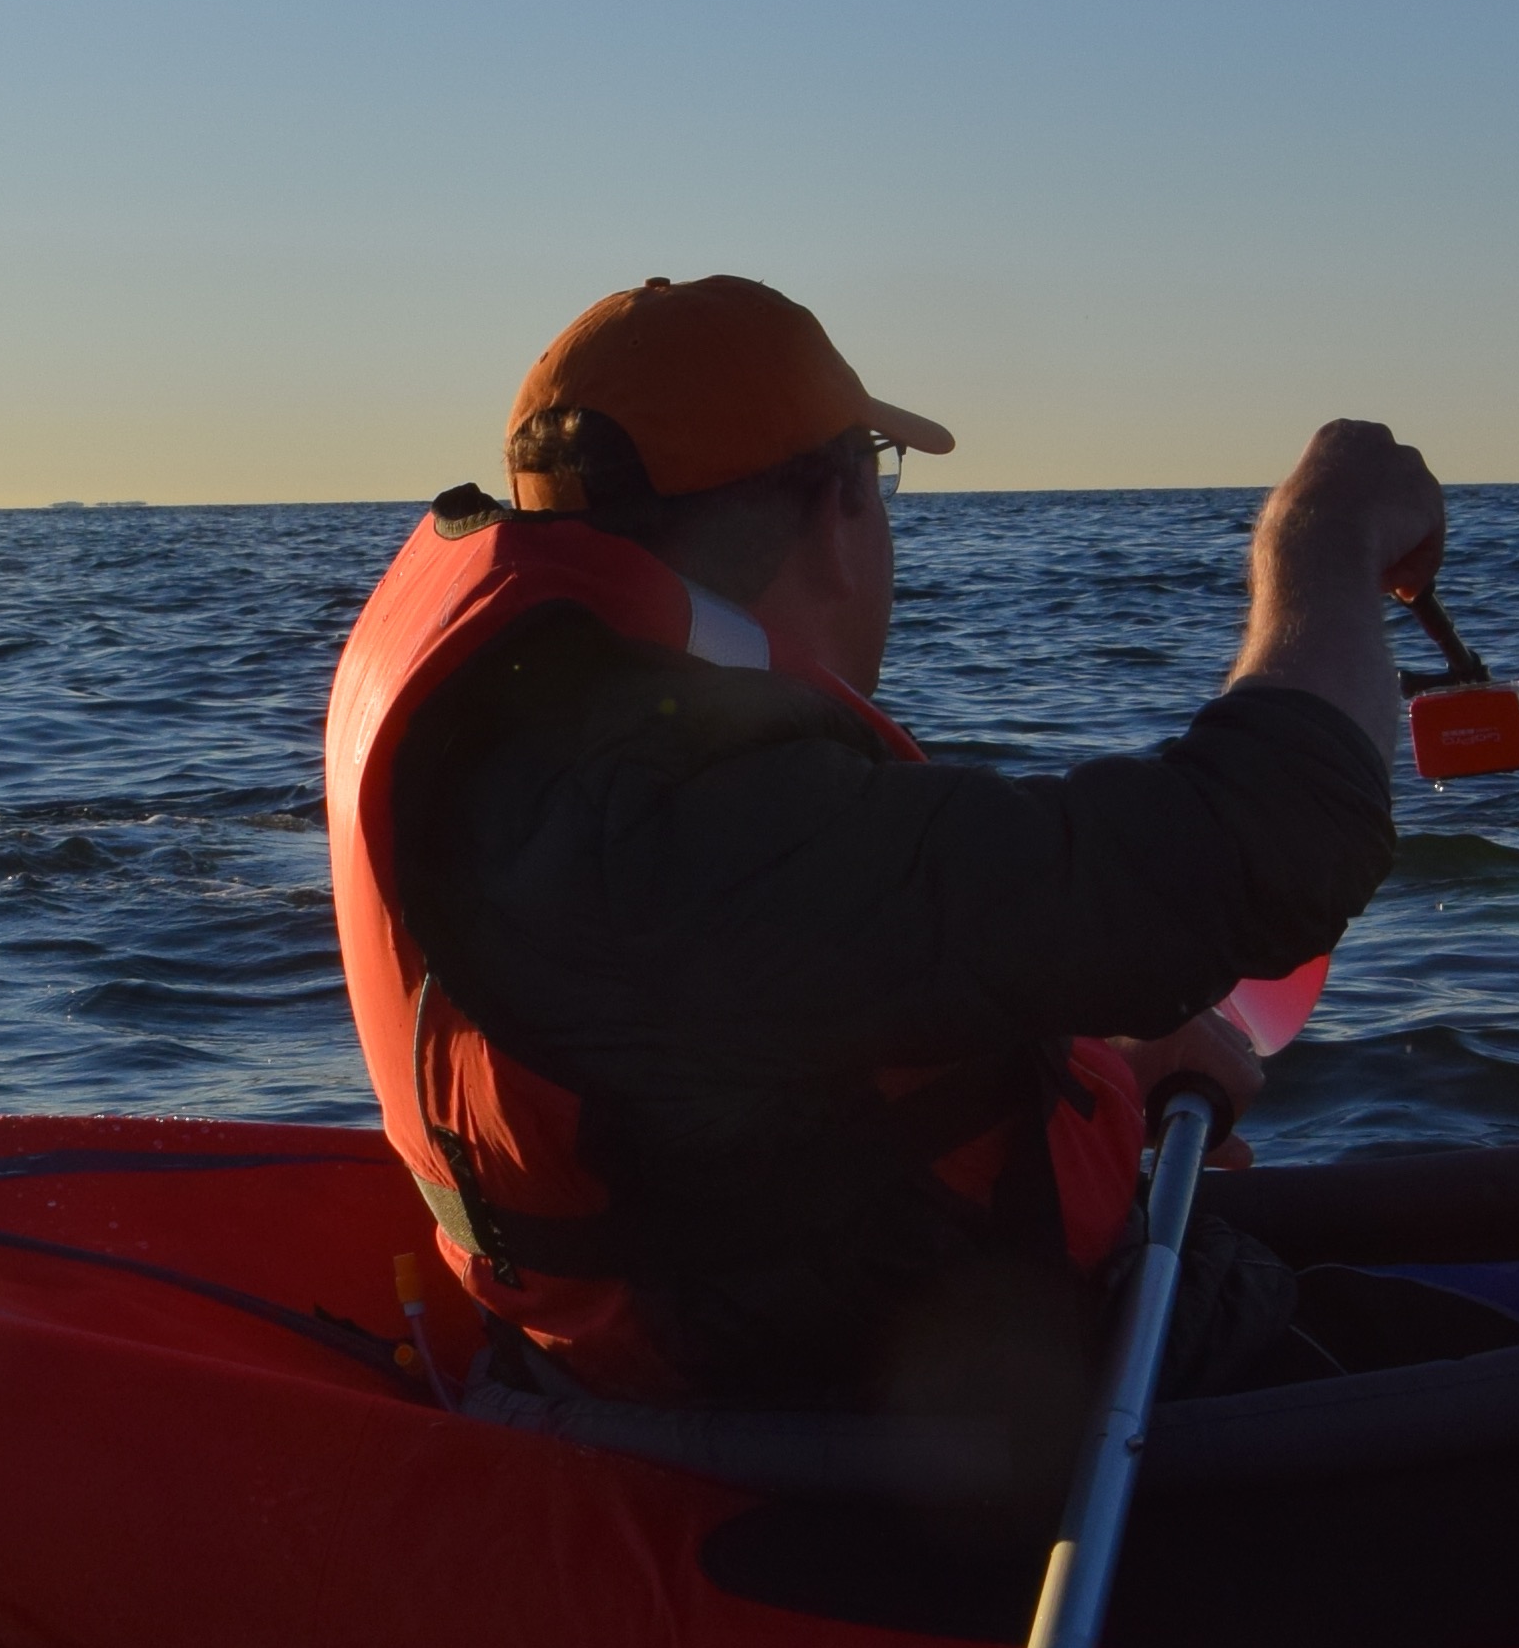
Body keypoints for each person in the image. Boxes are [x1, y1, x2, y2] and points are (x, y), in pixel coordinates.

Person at [320, 273, 1439, 1416]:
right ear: (844, 507)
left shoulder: (553, 759)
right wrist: (1324, 541)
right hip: (902, 1438)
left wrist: (1075, 1051)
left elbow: (753, 1040)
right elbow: (1275, 838)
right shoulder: (671, 817)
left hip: (686, 1363)